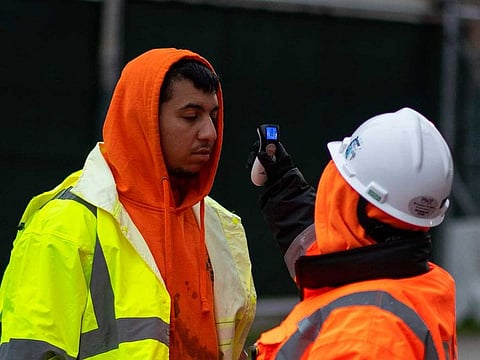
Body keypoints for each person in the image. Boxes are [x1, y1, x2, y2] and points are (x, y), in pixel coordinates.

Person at [0, 48, 256, 360]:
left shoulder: (217, 223)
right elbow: (29, 352)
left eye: (213, 116)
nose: (210, 133)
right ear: (143, 118)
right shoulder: (63, 227)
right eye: (190, 117)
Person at [247, 107, 457, 359]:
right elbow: (333, 258)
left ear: (351, 200)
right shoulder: (421, 282)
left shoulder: (363, 337)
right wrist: (282, 186)